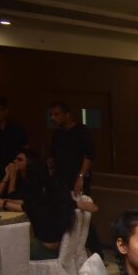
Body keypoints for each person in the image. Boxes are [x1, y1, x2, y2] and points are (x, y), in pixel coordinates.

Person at [0, 150, 97, 260]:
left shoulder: (39, 192)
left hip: (45, 249)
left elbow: (26, 206)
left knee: (3, 250)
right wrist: (73, 203)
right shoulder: (48, 192)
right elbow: (94, 208)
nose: (15, 162)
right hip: (54, 246)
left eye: (20, 160)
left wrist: (4, 203)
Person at [49, 100, 103, 258]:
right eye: (51, 115)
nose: (53, 118)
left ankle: (97, 253)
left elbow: (89, 155)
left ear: (67, 114)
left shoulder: (81, 130)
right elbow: (53, 157)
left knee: (83, 215)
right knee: (65, 214)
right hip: (61, 180)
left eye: (56, 114)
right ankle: (69, 252)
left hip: (78, 178)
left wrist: (80, 177)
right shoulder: (57, 134)